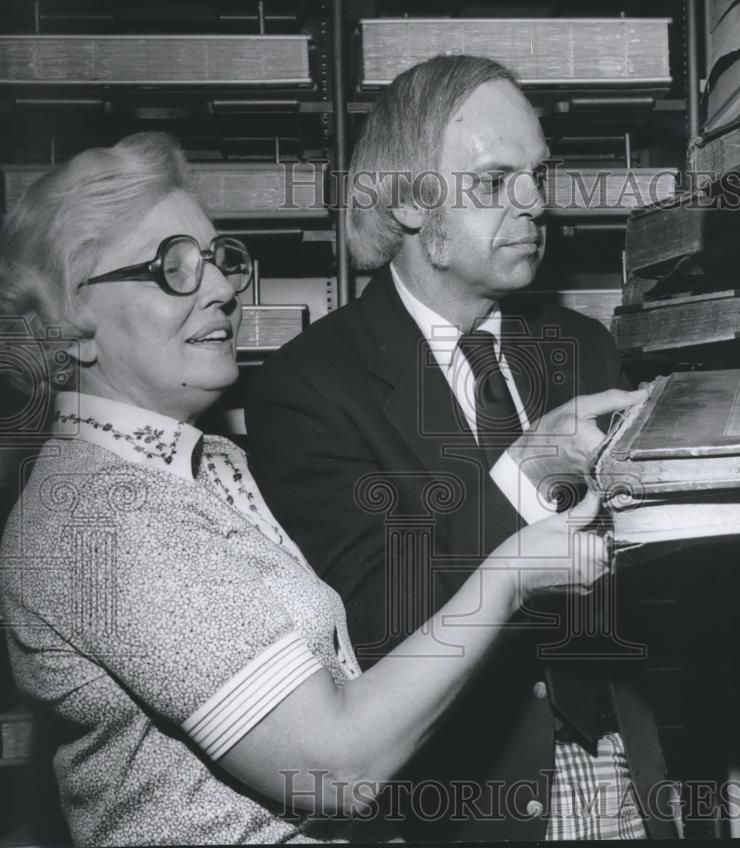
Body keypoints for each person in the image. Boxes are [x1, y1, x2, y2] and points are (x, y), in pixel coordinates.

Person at [0, 131, 612, 846]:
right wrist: (509, 574)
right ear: (73, 323)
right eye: (174, 268)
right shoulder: (106, 517)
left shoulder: (204, 465)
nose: (225, 288)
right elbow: (337, 769)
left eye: (219, 260)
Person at [245, 55, 682, 842]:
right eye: (494, 182)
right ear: (412, 205)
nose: (537, 204)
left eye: (539, 175)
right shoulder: (306, 391)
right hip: (464, 803)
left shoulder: (582, 349)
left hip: (614, 769)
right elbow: (372, 629)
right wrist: (529, 471)